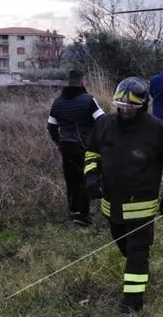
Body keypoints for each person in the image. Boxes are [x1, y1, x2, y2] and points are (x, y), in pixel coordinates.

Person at [83, 76, 163, 315]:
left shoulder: (158, 130)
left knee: (137, 250)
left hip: (142, 204)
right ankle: (138, 267)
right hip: (112, 204)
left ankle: (132, 300)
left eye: (132, 107)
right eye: (122, 107)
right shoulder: (105, 125)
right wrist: (91, 176)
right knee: (125, 246)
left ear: (143, 105)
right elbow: (91, 153)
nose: (126, 111)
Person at [47, 69, 104, 226]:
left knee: (70, 179)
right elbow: (102, 120)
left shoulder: (57, 102)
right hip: (84, 146)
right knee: (85, 178)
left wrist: (58, 142)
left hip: (65, 146)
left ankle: (73, 211)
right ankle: (83, 215)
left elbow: (51, 127)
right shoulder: (88, 100)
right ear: (82, 83)